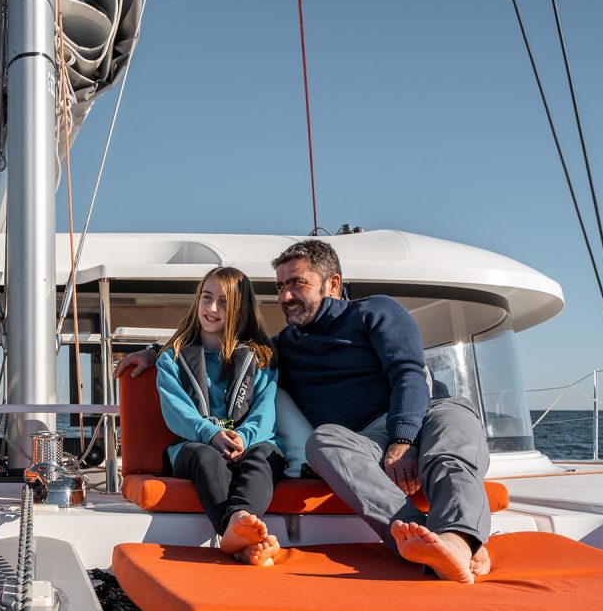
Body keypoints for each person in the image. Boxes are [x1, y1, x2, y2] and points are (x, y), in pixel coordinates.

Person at [116, 240, 492, 583]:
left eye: (298, 284)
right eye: (280, 287)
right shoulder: (283, 348)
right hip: (363, 440)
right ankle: (425, 541)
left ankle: (458, 543)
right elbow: (213, 344)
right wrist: (153, 351)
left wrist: (404, 438)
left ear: (333, 284)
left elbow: (408, 371)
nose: (287, 296)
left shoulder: (376, 311)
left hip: (426, 411)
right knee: (322, 441)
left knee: (449, 450)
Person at [155, 267, 286, 564]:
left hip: (251, 442)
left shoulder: (262, 358)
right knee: (206, 456)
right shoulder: (172, 357)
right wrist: (211, 434)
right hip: (193, 445)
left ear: (241, 309)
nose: (212, 308)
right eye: (207, 297)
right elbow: (176, 412)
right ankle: (235, 530)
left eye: (224, 302)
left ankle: (240, 529)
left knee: (265, 456)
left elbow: (265, 412)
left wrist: (244, 437)